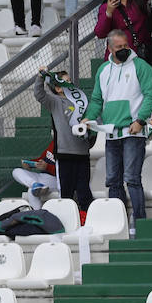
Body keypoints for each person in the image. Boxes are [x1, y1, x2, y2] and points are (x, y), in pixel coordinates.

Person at [83, 30, 152, 225]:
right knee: (113, 181)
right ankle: (120, 222)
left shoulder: (141, 67)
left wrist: (140, 120)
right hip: (110, 134)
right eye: (119, 47)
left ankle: (141, 222)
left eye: (126, 46)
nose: (124, 49)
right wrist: (88, 118)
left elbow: (151, 95)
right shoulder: (103, 70)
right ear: (109, 48)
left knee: (132, 178)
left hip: (134, 131)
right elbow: (97, 100)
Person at [34, 71, 94, 210]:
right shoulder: (55, 102)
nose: (70, 84)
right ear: (58, 88)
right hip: (64, 154)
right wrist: (40, 78)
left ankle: (86, 220)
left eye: (71, 81)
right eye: (66, 81)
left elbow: (93, 123)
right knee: (66, 193)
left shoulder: (82, 102)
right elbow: (39, 94)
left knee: (84, 192)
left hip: (82, 154)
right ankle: (69, 221)